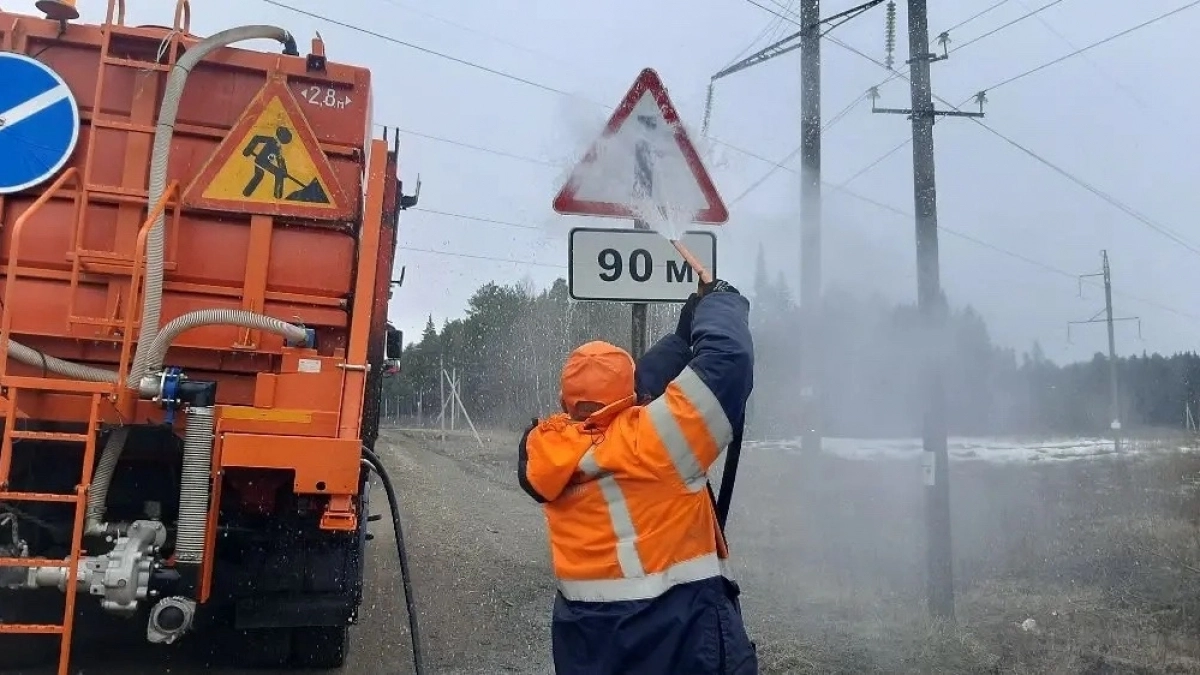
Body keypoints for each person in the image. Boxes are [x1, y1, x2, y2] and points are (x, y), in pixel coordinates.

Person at [518, 278, 758, 675]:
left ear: (565, 401)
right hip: (678, 645)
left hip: (592, 650)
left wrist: (682, 337)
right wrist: (722, 304)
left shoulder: (546, 448)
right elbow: (729, 360)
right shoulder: (656, 443)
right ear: (631, 398)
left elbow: (620, 399)